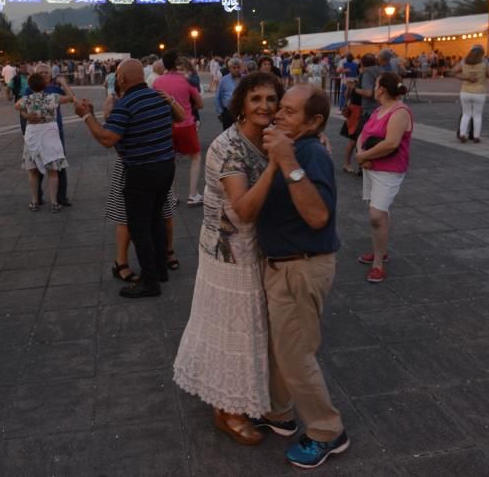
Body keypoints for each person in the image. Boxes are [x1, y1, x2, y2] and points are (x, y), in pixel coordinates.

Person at [174, 72, 285, 446]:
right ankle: (227, 409)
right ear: (240, 103)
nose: (264, 106)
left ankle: (239, 395)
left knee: (249, 325)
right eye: (255, 99)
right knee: (233, 327)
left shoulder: (268, 137)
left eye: (271, 99)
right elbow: (242, 211)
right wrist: (276, 163)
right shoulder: (228, 147)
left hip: (255, 249)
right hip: (229, 252)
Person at [252, 84, 348, 469]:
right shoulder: (295, 146)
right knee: (282, 347)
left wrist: (288, 160)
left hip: (302, 265)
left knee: (296, 354)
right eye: (281, 107)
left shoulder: (309, 153)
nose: (277, 114)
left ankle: (328, 432)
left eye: (289, 112)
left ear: (315, 121)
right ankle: (280, 413)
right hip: (283, 263)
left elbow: (318, 216)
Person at [74, 59, 179, 298]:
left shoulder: (126, 105)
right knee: (156, 220)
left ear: (121, 79)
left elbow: (107, 139)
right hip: (165, 168)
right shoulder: (159, 98)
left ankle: (149, 282)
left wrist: (85, 116)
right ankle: (160, 270)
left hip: (141, 172)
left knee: (139, 226)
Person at [354, 73, 413, 284]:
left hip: (389, 170)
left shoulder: (400, 112)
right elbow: (363, 135)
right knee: (380, 210)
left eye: (376, 84)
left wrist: (363, 156)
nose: (374, 88)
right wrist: (362, 156)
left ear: (381, 89)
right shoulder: (379, 110)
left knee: (376, 215)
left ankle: (378, 264)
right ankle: (381, 251)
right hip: (372, 167)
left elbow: (391, 144)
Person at [18, 72, 74, 213]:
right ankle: (54, 202)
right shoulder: (52, 98)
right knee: (53, 172)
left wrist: (27, 115)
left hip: (33, 137)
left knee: (33, 172)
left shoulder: (26, 99)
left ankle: (34, 201)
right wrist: (64, 83)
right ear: (45, 84)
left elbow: (16, 106)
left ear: (29, 85)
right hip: (50, 137)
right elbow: (71, 98)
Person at [155, 50, 205, 206]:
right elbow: (200, 103)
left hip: (166, 125)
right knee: (195, 156)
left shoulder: (157, 82)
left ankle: (171, 195)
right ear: (176, 63)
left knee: (170, 159)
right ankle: (192, 194)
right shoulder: (186, 81)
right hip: (186, 124)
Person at [452, 45, 489, 143]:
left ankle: (462, 134)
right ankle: (476, 136)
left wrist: (465, 77)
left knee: (466, 114)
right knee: (477, 115)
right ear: (482, 53)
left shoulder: (464, 61)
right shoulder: (485, 63)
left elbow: (453, 71)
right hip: (479, 92)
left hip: (465, 92)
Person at [216, 57, 243, 130]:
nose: (237, 69)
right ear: (230, 68)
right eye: (234, 68)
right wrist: (219, 112)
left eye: (238, 67)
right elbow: (218, 96)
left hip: (242, 112)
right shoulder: (224, 80)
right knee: (228, 134)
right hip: (228, 112)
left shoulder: (245, 79)